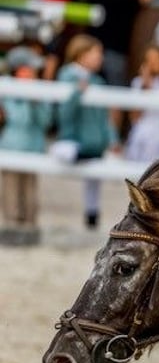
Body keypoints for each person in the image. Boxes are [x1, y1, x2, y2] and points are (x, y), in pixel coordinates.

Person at [52, 34, 118, 229]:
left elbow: (105, 117)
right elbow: (63, 113)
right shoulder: (66, 75)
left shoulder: (98, 81)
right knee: (64, 152)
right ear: (82, 54)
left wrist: (112, 139)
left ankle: (92, 215)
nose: (101, 58)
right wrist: (77, 93)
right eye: (96, 53)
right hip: (73, 137)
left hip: (94, 138)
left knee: (94, 180)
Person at [0, 45, 53, 245]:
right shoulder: (6, 90)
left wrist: (34, 101)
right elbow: (15, 119)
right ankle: (10, 228)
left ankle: (30, 229)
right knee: (10, 192)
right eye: (28, 69)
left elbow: (46, 121)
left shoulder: (38, 91)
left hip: (32, 148)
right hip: (10, 147)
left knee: (30, 193)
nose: (32, 73)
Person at [123, 43, 159, 163]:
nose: (153, 63)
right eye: (150, 59)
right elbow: (134, 117)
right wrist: (146, 86)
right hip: (141, 137)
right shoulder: (138, 83)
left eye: (157, 59)